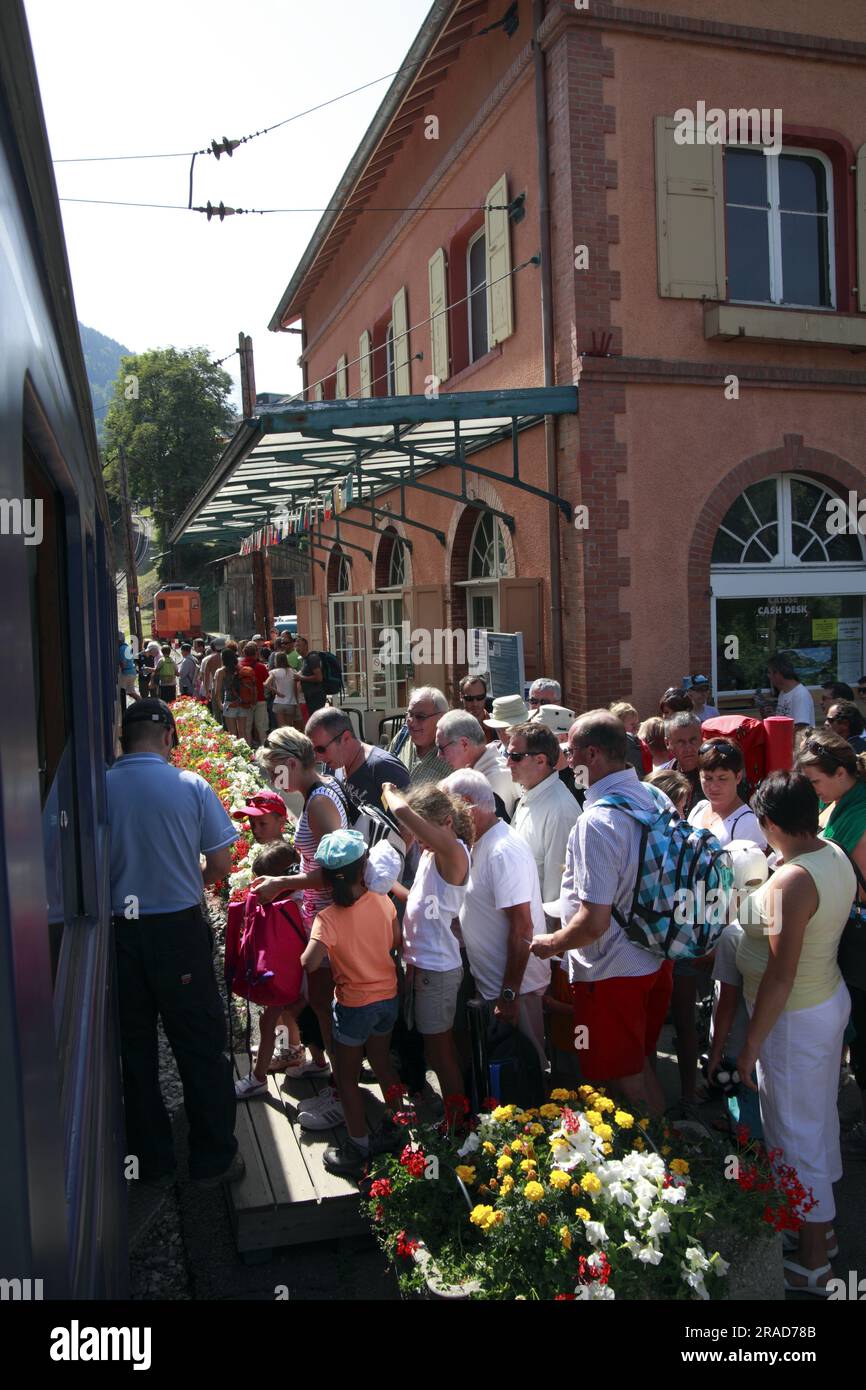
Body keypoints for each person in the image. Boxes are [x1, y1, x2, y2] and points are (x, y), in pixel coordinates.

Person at [107, 699, 243, 1187]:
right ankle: (211, 1160)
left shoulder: (99, 788)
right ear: (167, 737)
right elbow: (222, 866)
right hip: (177, 930)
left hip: (120, 930)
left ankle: (150, 1162)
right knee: (200, 1045)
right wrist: (190, 876)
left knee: (135, 1050)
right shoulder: (190, 785)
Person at [736, 771, 855, 1294]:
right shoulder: (830, 853)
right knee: (817, 1121)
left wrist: (750, 1049)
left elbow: (780, 976)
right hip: (825, 1002)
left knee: (793, 1135)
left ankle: (813, 1263)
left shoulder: (790, 880)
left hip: (794, 1020)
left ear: (768, 822)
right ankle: (821, 1234)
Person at [530, 710, 674, 1116]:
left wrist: (551, 943)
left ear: (592, 754)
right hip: (655, 958)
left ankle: (661, 1163)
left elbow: (594, 923)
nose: (565, 758)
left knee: (621, 1075)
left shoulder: (596, 822)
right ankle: (656, 1157)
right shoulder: (654, 797)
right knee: (638, 1063)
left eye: (570, 750)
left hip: (612, 972)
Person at [250, 729, 348, 1128]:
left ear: (292, 764)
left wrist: (283, 884)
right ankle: (337, 1082)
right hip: (321, 921)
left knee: (328, 1009)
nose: (275, 782)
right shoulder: (319, 795)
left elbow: (338, 871)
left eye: (276, 773)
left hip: (330, 926)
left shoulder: (321, 801)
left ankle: (343, 1096)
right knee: (323, 1006)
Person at [301, 830, 404, 1175]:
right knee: (382, 1061)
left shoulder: (327, 919)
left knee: (346, 1078)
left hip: (352, 1005)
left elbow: (309, 963)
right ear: (365, 869)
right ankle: (397, 1124)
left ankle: (357, 1145)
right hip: (387, 998)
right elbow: (396, 939)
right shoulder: (383, 900)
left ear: (327, 879)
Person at [441, 768, 552, 1068]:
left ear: (466, 803)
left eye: (447, 810)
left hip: (516, 991)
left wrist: (508, 995)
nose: (444, 820)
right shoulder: (480, 841)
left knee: (526, 1075)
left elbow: (522, 927)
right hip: (494, 986)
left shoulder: (503, 851)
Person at [797, 730, 866, 1160]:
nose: (813, 792)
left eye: (817, 782)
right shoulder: (837, 801)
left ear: (842, 773)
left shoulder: (863, 815)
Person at [380, 781, 474, 1099]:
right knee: (434, 1051)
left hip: (438, 971)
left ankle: (458, 1124)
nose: (418, 840)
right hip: (422, 967)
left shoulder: (453, 851)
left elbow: (402, 810)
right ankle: (456, 1116)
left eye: (422, 832)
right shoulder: (431, 854)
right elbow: (419, 900)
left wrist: (390, 791)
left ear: (447, 822)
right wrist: (389, 883)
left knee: (439, 1053)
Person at [233, 840, 307, 1099]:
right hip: (301, 973)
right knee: (295, 1018)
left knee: (268, 1021)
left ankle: (258, 1077)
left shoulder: (286, 906)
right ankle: (298, 1053)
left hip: (296, 974)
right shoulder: (301, 897)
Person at [507, 721, 579, 906]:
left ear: (540, 760)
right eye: (508, 755)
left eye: (515, 756)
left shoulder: (560, 811)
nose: (508, 762)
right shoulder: (529, 793)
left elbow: (557, 897)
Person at [306, 706, 410, 798]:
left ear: (346, 738)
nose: (317, 758)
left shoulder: (385, 768)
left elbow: (411, 816)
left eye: (321, 749)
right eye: (312, 750)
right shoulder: (331, 766)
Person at [434, 709, 518, 819]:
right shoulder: (482, 769)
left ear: (464, 744)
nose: (439, 755)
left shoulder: (492, 782)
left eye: (441, 748)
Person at [688, 739, 767, 849]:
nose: (714, 786)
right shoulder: (698, 809)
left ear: (738, 777)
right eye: (708, 778)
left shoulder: (748, 823)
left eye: (722, 778)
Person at [389, 686, 451, 786]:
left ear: (441, 718)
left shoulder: (453, 754)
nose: (411, 722)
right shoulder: (402, 737)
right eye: (409, 714)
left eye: (420, 717)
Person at [663, 711, 703, 814]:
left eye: (693, 740)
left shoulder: (717, 774)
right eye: (681, 742)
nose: (688, 748)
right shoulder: (664, 779)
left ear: (702, 738)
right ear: (667, 743)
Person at [767, 652, 816, 732]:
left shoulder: (800, 694)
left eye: (769, 672)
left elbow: (801, 727)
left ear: (778, 673)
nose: (768, 676)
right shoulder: (783, 693)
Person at [214, 648, 255, 740]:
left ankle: (236, 753)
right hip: (243, 702)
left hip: (230, 703)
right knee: (243, 732)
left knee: (232, 733)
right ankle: (246, 752)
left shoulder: (221, 671)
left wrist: (220, 705)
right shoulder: (241, 669)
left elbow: (217, 691)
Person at [610, 701, 651, 778]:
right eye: (632, 724)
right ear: (619, 724)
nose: (636, 727)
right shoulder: (626, 741)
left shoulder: (635, 740)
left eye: (637, 723)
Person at [241, 641, 270, 747]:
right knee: (261, 727)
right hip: (260, 699)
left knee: (247, 727)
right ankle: (264, 748)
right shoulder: (261, 667)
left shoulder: (240, 666)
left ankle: (247, 750)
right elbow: (267, 682)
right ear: (256, 653)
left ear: (244, 653)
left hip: (245, 701)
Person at [264, 650, 300, 728]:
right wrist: (297, 702)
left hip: (279, 702)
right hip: (291, 703)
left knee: (281, 728)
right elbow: (295, 688)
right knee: (289, 728)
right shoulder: (293, 671)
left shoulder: (274, 672)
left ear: (276, 661)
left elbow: (266, 684)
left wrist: (277, 692)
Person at [459, 673, 496, 742]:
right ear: (461, 696)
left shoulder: (497, 725)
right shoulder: (454, 727)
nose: (475, 704)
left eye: (479, 697)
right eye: (469, 698)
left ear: (485, 696)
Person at [296, 638, 327, 718]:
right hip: (309, 696)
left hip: (316, 696)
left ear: (306, 646)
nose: (297, 648)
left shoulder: (312, 658)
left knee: (317, 720)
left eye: (299, 645)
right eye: (296, 646)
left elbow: (319, 678)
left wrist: (301, 678)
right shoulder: (304, 660)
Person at [118, 631, 139, 708]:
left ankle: (124, 709)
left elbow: (123, 663)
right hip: (131, 672)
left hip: (127, 673)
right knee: (131, 692)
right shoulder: (126, 647)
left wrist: (120, 668)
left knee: (122, 691)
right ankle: (141, 703)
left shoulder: (121, 648)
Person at [200, 640, 221, 713]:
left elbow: (204, 676)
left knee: (213, 711)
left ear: (211, 648)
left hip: (211, 688)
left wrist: (206, 691)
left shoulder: (206, 659)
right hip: (223, 687)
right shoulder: (225, 656)